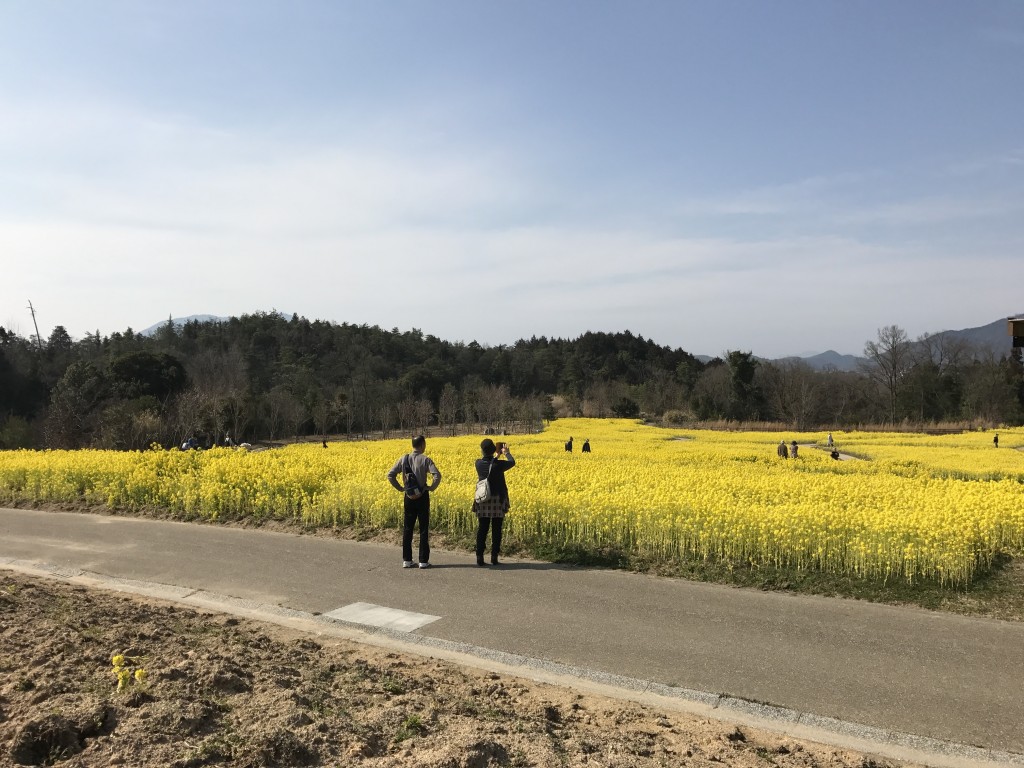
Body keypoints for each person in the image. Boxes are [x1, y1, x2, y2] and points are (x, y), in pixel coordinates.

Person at [387, 435, 442, 569]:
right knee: (423, 529)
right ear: (422, 444)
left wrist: (401, 488)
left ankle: (407, 560)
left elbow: (390, 475)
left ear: (412, 445)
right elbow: (437, 475)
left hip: (409, 498)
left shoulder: (403, 459)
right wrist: (431, 488)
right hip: (422, 497)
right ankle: (423, 561)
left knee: (408, 528)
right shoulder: (425, 460)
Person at [473, 438, 516, 566]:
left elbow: (489, 463)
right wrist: (506, 452)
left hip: (483, 499)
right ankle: (494, 557)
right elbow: (512, 462)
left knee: (482, 529)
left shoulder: (478, 463)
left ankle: (479, 556)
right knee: (497, 529)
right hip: (497, 499)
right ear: (493, 450)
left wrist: (495, 456)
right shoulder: (499, 465)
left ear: (482, 450)